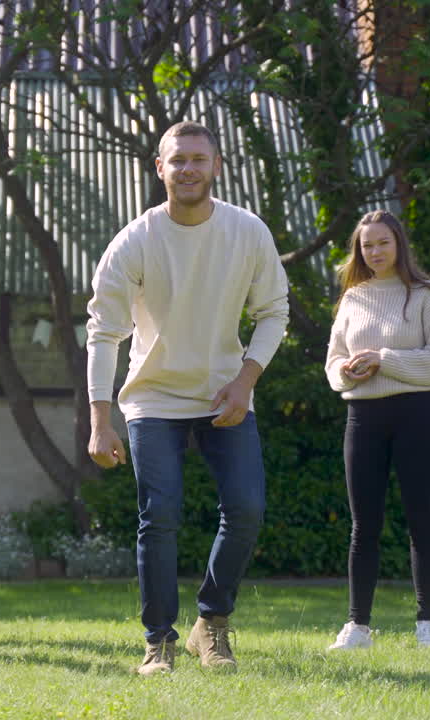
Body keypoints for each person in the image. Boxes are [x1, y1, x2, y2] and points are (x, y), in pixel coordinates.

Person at [86, 121, 289, 674]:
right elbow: (104, 332)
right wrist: (100, 421)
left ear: (217, 165)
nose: (189, 169)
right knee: (161, 514)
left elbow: (273, 312)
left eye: (199, 159)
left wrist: (246, 381)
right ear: (160, 168)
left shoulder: (247, 232)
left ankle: (212, 623)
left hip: (226, 391)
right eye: (178, 160)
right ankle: (159, 643)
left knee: (246, 507)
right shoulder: (135, 241)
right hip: (153, 399)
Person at [323, 209, 430, 650]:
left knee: (421, 518)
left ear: (399, 244)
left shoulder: (425, 296)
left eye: (383, 242)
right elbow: (332, 367)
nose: (375, 251)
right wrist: (348, 372)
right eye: (367, 245)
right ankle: (357, 626)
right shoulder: (352, 299)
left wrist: (385, 359)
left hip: (417, 416)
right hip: (363, 418)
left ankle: (427, 626)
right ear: (358, 251)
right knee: (364, 525)